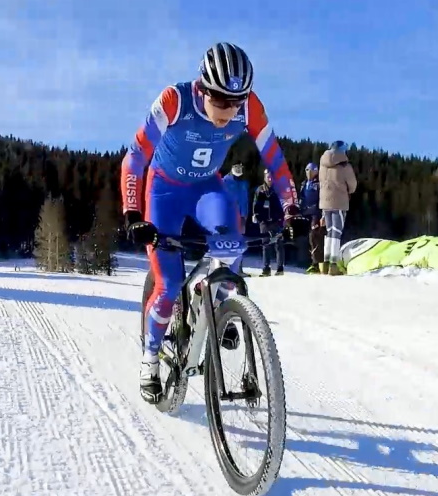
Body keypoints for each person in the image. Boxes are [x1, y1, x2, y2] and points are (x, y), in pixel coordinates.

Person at [119, 42, 308, 404]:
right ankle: (151, 356)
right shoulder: (175, 100)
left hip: (208, 187)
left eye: (236, 102)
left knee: (232, 245)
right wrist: (132, 213)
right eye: (221, 101)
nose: (229, 111)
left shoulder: (248, 108)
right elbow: (135, 158)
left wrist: (291, 208)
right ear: (203, 89)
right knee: (169, 281)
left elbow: (275, 160)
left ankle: (220, 309)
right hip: (163, 191)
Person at [319, 140, 358, 275]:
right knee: (336, 233)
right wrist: (349, 191)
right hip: (339, 201)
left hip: (325, 202)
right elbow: (352, 185)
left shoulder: (323, 164)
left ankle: (324, 263)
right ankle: (333, 265)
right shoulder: (344, 166)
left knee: (329, 232)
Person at [252, 169, 286, 276]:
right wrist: (257, 216)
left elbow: (282, 205)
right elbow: (255, 204)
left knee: (278, 244)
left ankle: (280, 268)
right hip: (264, 222)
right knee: (265, 245)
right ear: (264, 177)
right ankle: (266, 268)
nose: (270, 179)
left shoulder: (277, 190)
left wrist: (281, 218)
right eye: (268, 177)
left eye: (271, 177)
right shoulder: (260, 190)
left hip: (276, 221)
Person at [222, 162, 250, 275]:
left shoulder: (243, 183)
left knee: (240, 242)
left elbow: (245, 200)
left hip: (242, 217)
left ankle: (238, 268)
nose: (239, 169)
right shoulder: (225, 181)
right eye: (237, 167)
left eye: (241, 167)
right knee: (228, 242)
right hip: (229, 217)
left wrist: (246, 214)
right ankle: (226, 267)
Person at [299, 162, 324, 273]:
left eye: (312, 170)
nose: (309, 172)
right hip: (305, 213)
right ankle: (307, 262)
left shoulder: (319, 184)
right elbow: (301, 197)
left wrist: (322, 214)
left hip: (315, 213)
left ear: (316, 171)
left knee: (314, 237)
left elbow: (322, 199)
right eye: (307, 170)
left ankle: (317, 263)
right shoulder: (304, 184)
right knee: (305, 238)